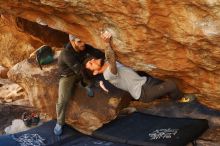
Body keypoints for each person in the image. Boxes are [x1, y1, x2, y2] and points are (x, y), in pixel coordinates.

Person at [83, 31, 195, 104]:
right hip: (143, 92)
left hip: (145, 82)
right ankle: (179, 99)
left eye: (91, 60)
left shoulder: (106, 62)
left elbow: (110, 57)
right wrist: (107, 43)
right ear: (95, 73)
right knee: (172, 84)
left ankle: (167, 96)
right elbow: (112, 61)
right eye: (91, 64)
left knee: (167, 82)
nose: (93, 60)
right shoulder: (108, 75)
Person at [54, 34, 105, 136]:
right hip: (68, 75)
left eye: (83, 40)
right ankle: (59, 122)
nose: (83, 43)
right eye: (79, 42)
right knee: (63, 99)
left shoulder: (83, 46)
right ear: (72, 42)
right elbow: (80, 71)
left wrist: (104, 60)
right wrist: (90, 82)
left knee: (94, 66)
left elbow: (98, 54)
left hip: (81, 69)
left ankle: (84, 84)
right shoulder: (66, 54)